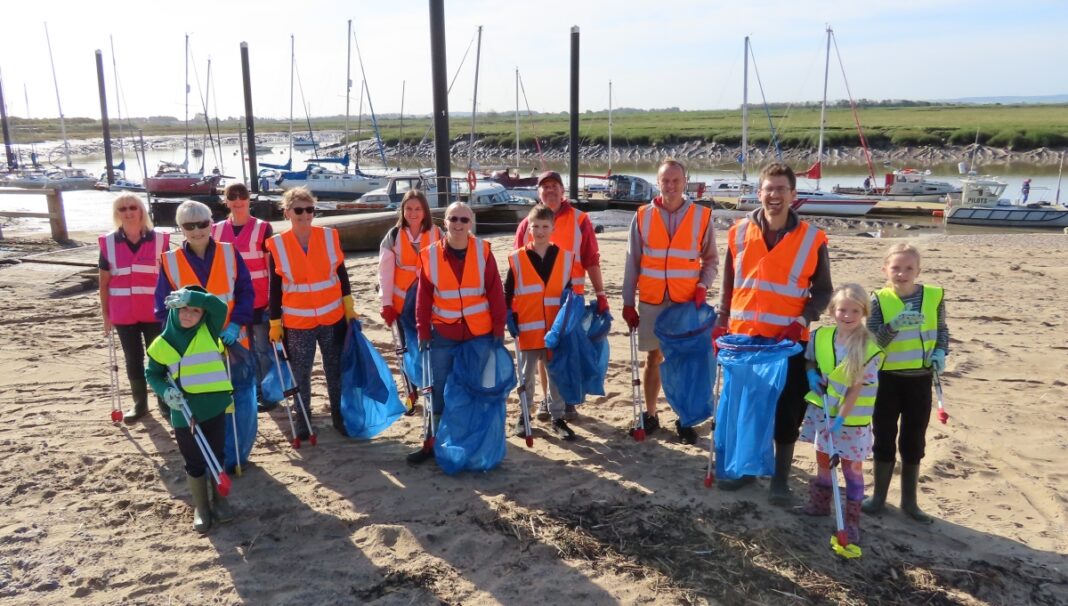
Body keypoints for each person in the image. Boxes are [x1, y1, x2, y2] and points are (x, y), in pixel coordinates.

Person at [714, 162, 833, 504]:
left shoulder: (812, 238)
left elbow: (823, 291)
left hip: (787, 343)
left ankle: (780, 478)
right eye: (769, 188)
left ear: (794, 195)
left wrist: (804, 319)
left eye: (781, 189)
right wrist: (721, 321)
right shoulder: (738, 232)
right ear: (759, 192)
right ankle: (748, 469)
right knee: (748, 408)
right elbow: (729, 284)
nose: (774, 195)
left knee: (786, 410)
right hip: (744, 338)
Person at [621, 158, 718, 445]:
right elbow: (631, 263)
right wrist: (628, 302)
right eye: (666, 180)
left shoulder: (702, 216)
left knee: (684, 361)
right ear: (658, 181)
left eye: (676, 180)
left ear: (685, 182)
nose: (671, 186)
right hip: (652, 300)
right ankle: (650, 415)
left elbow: (711, 260)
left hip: (686, 301)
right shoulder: (641, 216)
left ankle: (685, 417)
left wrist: (703, 285)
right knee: (654, 358)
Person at [409, 202, 507, 464]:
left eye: (464, 219)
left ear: (471, 223)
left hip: (479, 333)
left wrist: (499, 326)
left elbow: (495, 291)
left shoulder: (483, 251)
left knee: (476, 387)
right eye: (453, 219)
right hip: (443, 333)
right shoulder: (429, 255)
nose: (458, 224)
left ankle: (472, 442)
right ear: (445, 222)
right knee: (437, 389)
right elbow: (423, 298)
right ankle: (432, 441)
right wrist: (422, 331)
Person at [863, 243, 949, 524]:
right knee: (884, 436)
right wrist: (894, 326)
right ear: (885, 270)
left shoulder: (933, 296)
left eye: (908, 268)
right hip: (887, 381)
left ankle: (910, 502)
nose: (902, 273)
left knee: (914, 438)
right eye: (896, 268)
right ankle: (878, 498)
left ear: (918, 270)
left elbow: (942, 330)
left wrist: (940, 352)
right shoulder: (878, 299)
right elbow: (873, 342)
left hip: (920, 380)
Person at [513, 170, 607, 423]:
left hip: (570, 300)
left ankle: (567, 400)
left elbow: (591, 259)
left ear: (563, 190)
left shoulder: (579, 220)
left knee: (567, 353)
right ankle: (548, 399)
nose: (550, 190)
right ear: (538, 193)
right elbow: (518, 265)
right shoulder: (526, 225)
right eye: (545, 187)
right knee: (545, 355)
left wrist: (601, 293)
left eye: (555, 186)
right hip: (535, 304)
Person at [265, 187, 358, 438]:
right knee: (301, 374)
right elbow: (274, 288)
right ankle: (303, 418)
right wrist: (275, 323)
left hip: (332, 317)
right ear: (287, 213)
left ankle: (339, 416)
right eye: (299, 210)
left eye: (310, 209)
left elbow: (341, 274)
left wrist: (349, 308)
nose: (305, 215)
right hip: (298, 322)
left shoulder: (329, 237)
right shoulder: (277, 245)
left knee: (334, 369)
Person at [797, 284, 884, 547]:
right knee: (823, 460)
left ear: (863, 312)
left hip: (851, 420)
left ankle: (852, 523)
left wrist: (841, 420)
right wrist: (811, 373)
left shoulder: (867, 346)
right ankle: (820, 506)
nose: (847, 315)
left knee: (851, 469)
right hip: (823, 411)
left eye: (855, 311)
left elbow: (856, 389)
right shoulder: (821, 335)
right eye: (842, 309)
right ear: (833, 310)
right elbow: (810, 359)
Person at [145, 286, 234, 533]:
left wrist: (194, 297)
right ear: (174, 310)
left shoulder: (209, 329)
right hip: (183, 412)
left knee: (217, 455)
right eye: (183, 308)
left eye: (194, 310)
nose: (188, 314)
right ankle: (201, 507)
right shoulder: (162, 343)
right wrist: (165, 392)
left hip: (214, 406)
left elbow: (220, 307)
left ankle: (220, 501)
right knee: (193, 460)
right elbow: (152, 374)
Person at [98, 194, 171, 423]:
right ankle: (140, 403)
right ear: (116, 213)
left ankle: (164, 401)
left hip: (154, 311)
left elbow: (170, 277)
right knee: (133, 358)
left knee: (158, 357)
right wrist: (105, 316)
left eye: (132, 207)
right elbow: (104, 283)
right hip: (123, 313)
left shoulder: (160, 240)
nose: (128, 212)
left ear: (141, 211)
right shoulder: (108, 243)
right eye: (122, 209)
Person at [505, 204, 575, 441]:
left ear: (553, 228)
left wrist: (567, 320)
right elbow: (508, 292)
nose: (540, 231)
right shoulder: (517, 258)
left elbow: (569, 293)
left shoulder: (564, 258)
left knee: (555, 376)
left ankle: (557, 417)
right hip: (527, 330)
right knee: (525, 377)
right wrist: (508, 315)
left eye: (545, 226)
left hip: (555, 332)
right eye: (535, 226)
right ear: (528, 228)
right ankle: (524, 416)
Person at [210, 182, 280, 413]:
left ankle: (266, 392)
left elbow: (272, 266)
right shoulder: (216, 230)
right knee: (239, 350)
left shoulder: (262, 228)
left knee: (262, 349)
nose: (238, 201)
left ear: (249, 199)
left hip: (260, 300)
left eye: (242, 196)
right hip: (232, 301)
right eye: (233, 197)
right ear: (226, 201)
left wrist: (274, 299)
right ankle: (245, 390)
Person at [154, 200, 254, 350]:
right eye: (189, 226)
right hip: (192, 344)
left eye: (202, 224)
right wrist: (179, 335)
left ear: (211, 224)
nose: (197, 231)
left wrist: (236, 323)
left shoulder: (229, 252)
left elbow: (245, 291)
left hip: (232, 338)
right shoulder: (170, 260)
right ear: (181, 228)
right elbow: (163, 306)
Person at [378, 189, 443, 401]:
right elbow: (385, 272)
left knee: (428, 347)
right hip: (402, 304)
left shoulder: (437, 234)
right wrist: (386, 303)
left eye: (417, 208)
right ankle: (410, 391)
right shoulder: (394, 235)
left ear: (425, 211)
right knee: (405, 348)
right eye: (408, 208)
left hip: (430, 302)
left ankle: (429, 387)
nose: (413, 213)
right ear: (402, 210)